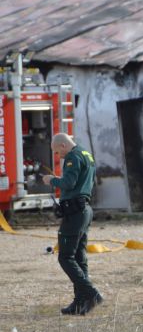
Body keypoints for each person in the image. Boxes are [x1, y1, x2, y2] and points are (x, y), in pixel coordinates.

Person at [42, 133, 102, 315]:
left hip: (76, 213)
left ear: (62, 145)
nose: (58, 156)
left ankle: (91, 294)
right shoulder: (85, 153)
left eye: (57, 152)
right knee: (79, 257)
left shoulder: (72, 157)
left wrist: (51, 180)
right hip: (84, 210)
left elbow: (69, 182)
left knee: (66, 257)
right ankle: (80, 303)